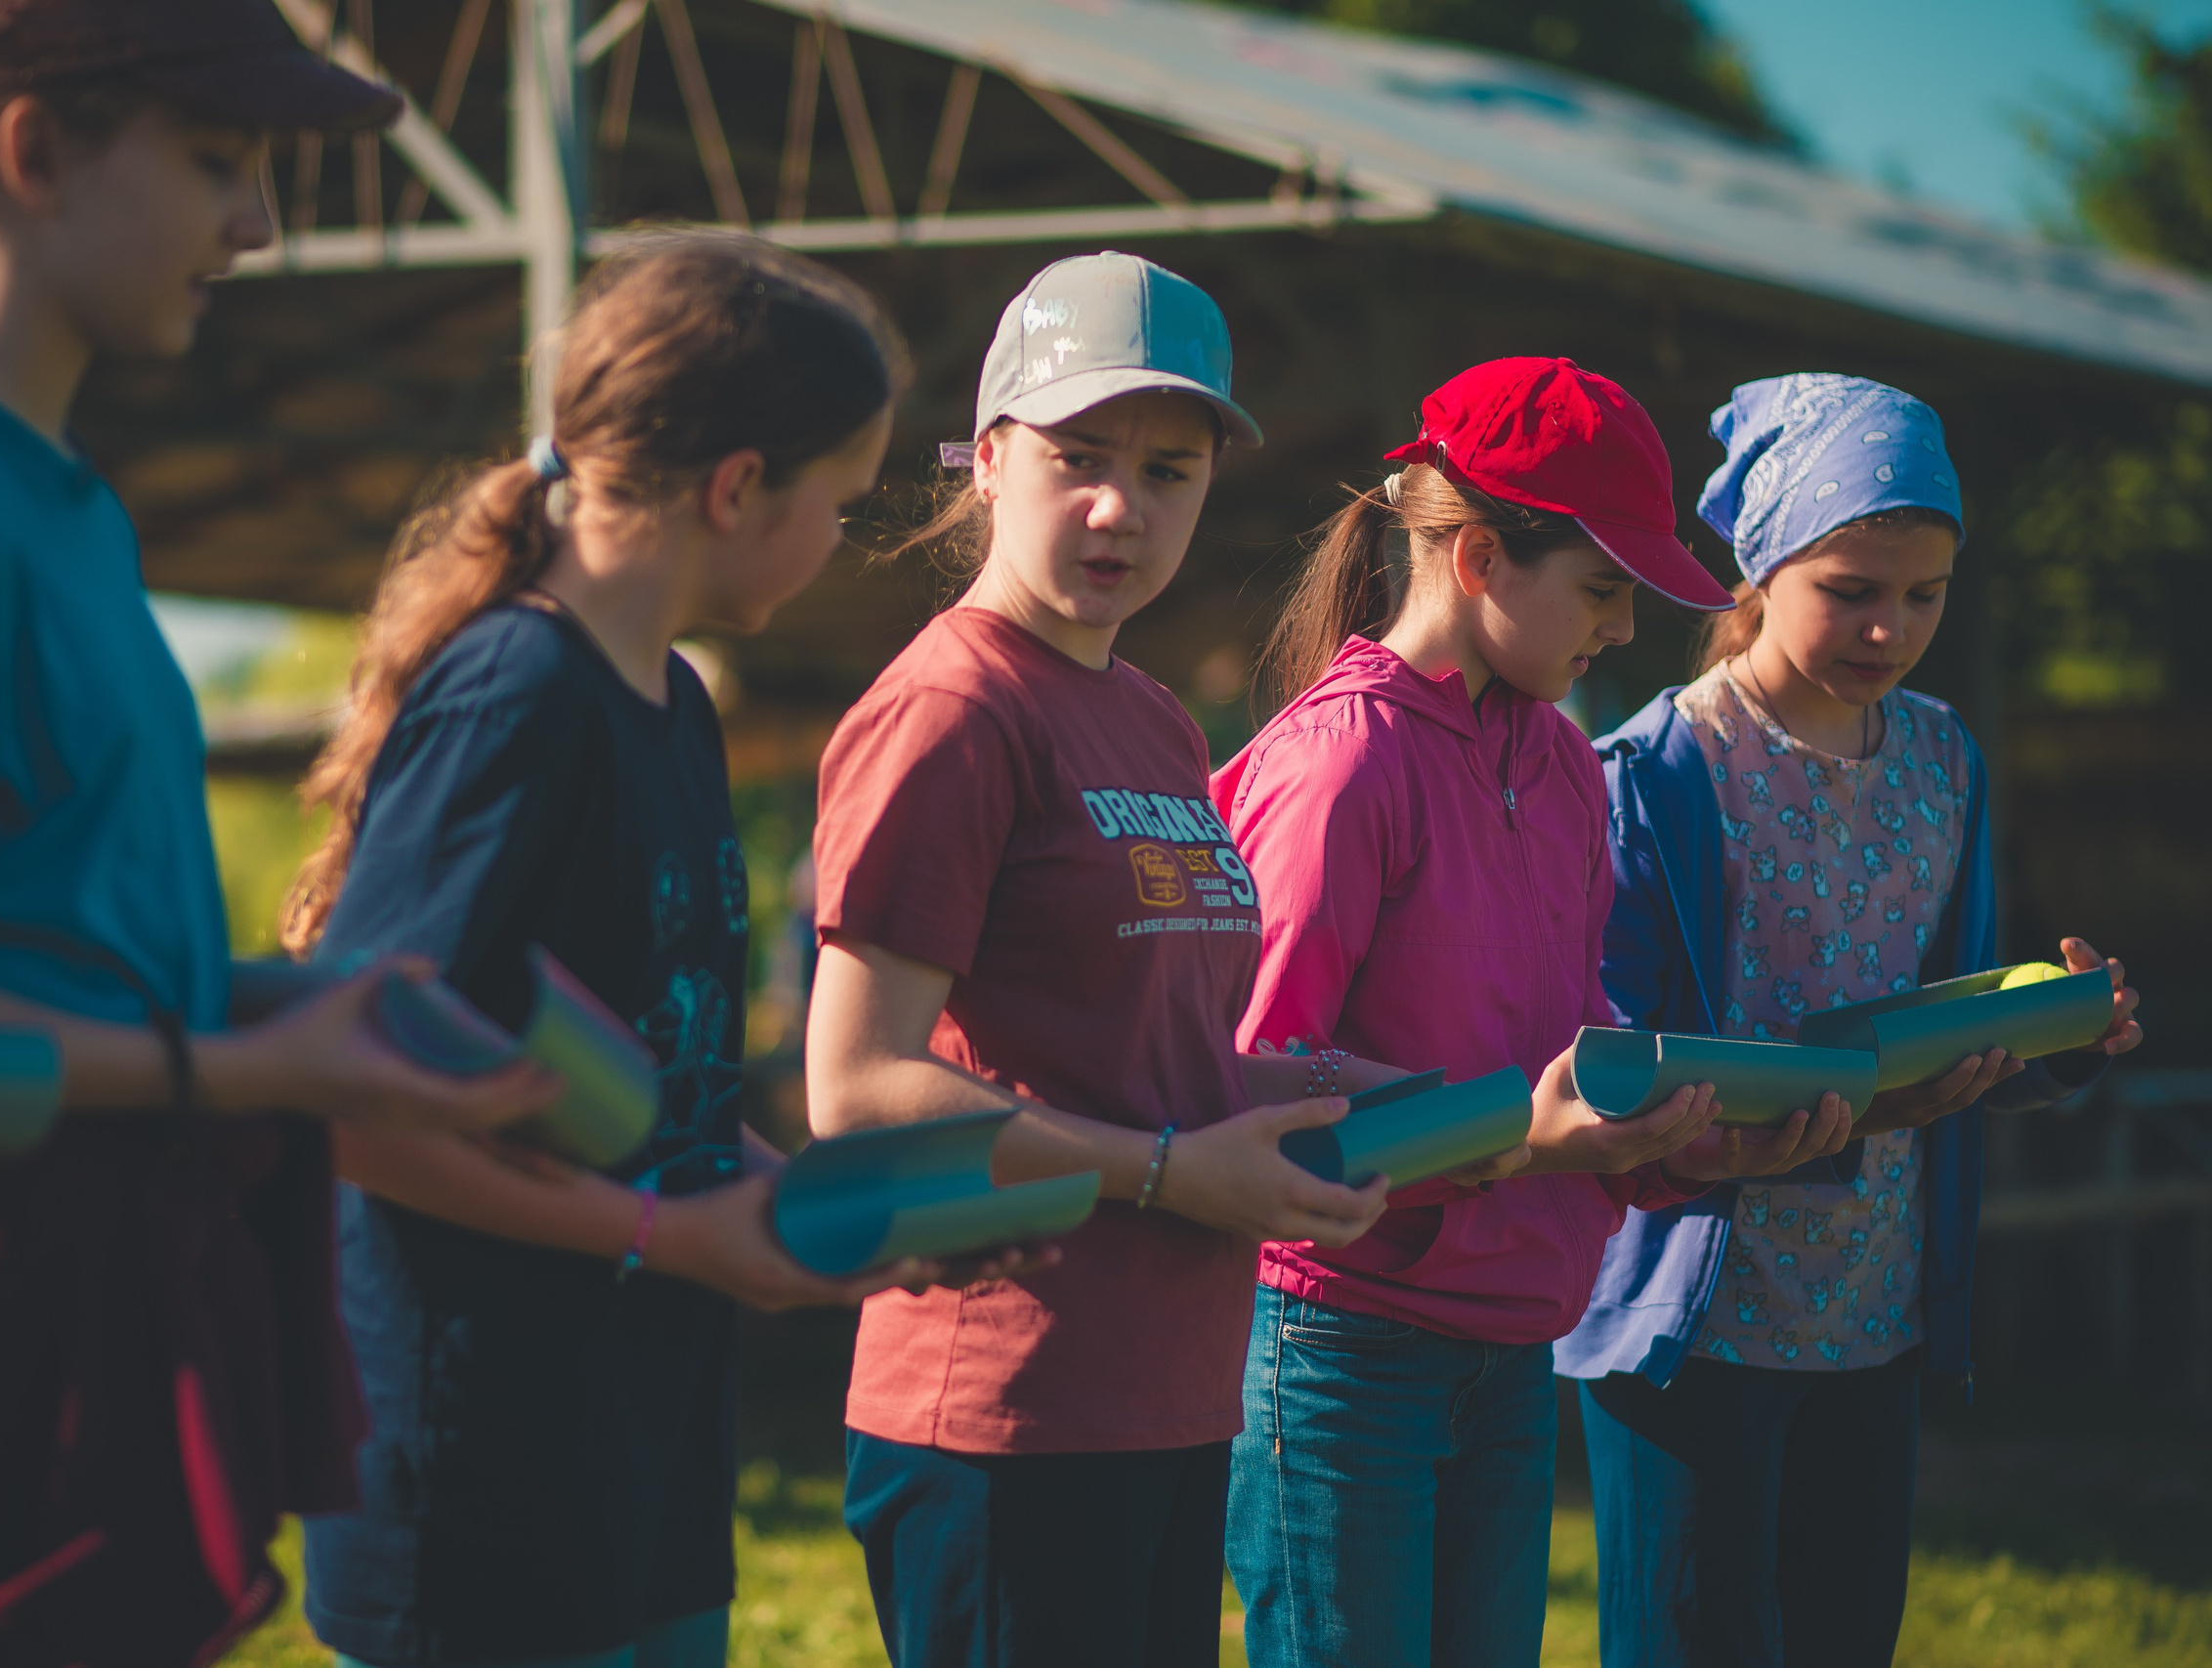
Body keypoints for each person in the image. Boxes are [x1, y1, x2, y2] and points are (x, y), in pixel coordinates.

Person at [0, 3, 560, 1662]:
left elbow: (39, 944)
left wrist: (297, 1006)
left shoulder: (52, 497)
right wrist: (247, 1068)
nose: (259, 226)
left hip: (48, 1347)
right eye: (220, 162)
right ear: (36, 151)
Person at [284, 233, 982, 1668]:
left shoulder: (675, 703)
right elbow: (352, 1111)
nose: (841, 538)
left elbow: (663, 1084)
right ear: (737, 488)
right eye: (838, 500)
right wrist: (671, 1235)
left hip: (638, 1461)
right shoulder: (516, 695)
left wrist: (807, 1209)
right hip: (477, 1487)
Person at [802, 251, 1414, 1668]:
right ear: (989, 459)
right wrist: (1167, 1173)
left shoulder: (1151, 720)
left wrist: (1360, 1099)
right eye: (1077, 456)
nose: (1118, 507)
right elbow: (857, 1086)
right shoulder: (954, 709)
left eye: (1167, 471)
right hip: (1005, 1408)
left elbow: (1153, 1062)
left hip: (1167, 1395)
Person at [1215, 358, 1860, 1668]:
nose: (1620, 632)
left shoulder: (1564, 763)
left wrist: (1695, 1146)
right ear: (1477, 559)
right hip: (1341, 1349)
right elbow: (1257, 1083)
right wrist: (1517, 1132)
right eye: (1603, 590)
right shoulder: (1342, 765)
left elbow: (1573, 1065)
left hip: (1512, 1349)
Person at [1557, 372, 2144, 1668]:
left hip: (1875, 1307)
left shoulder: (1946, 758)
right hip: (1691, 1318)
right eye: (1852, 589)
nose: (1891, 628)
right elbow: (1607, 1050)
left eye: (1926, 595)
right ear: (1760, 569)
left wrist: (2057, 1037)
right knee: (1692, 1640)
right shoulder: (1655, 773)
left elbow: (1955, 1007)